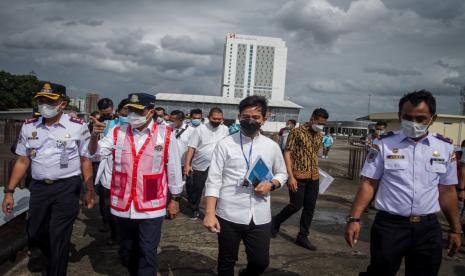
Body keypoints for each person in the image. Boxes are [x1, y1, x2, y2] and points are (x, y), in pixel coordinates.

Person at [345, 90, 462, 276]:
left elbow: (447, 191)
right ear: (399, 116)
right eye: (407, 117)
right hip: (390, 227)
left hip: (428, 229)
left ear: (433, 118)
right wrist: (354, 219)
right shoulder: (383, 144)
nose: (413, 123)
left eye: (421, 118)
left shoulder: (445, 148)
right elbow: (368, 183)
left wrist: (456, 230)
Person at [2, 82, 94, 276]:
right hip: (39, 188)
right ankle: (46, 256)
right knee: (35, 231)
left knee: (59, 236)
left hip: (67, 188)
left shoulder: (78, 127)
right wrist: (9, 192)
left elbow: (85, 159)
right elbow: (22, 160)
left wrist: (89, 190)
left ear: (62, 103)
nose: (44, 104)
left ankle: (56, 271)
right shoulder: (29, 127)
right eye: (41, 100)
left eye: (49, 101)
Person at [89, 93, 183, 276]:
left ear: (151, 112)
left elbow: (173, 169)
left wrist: (175, 199)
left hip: (152, 201)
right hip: (123, 201)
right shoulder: (118, 132)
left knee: (147, 251)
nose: (133, 114)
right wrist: (94, 137)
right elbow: (96, 155)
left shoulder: (166, 135)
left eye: (138, 110)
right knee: (127, 250)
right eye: (130, 110)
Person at [203, 95, 287, 276]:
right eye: (246, 116)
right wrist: (210, 213)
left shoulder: (271, 146)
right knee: (226, 261)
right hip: (229, 214)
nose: (250, 121)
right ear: (239, 117)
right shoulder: (225, 144)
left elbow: (282, 173)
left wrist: (271, 185)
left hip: (260, 215)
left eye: (256, 117)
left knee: (260, 262)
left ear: (264, 119)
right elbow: (214, 180)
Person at [271, 108, 329, 250]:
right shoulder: (296, 132)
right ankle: (275, 222)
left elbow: (313, 155)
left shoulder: (319, 135)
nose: (321, 126)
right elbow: (287, 153)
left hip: (314, 176)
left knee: (310, 207)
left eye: (323, 124)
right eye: (319, 122)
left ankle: (303, 236)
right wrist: (290, 177)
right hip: (297, 176)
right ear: (312, 118)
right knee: (295, 205)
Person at [94, 99, 130, 246]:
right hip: (109, 170)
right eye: (125, 111)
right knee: (107, 205)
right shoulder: (107, 125)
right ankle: (113, 231)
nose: (128, 114)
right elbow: (98, 148)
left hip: (128, 175)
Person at [184, 107, 229, 219]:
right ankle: (194, 208)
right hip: (201, 164)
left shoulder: (225, 129)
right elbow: (191, 147)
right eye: (214, 118)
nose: (217, 121)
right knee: (198, 188)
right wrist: (187, 164)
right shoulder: (200, 129)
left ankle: (216, 211)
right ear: (209, 118)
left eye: (220, 119)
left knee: (219, 188)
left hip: (218, 164)